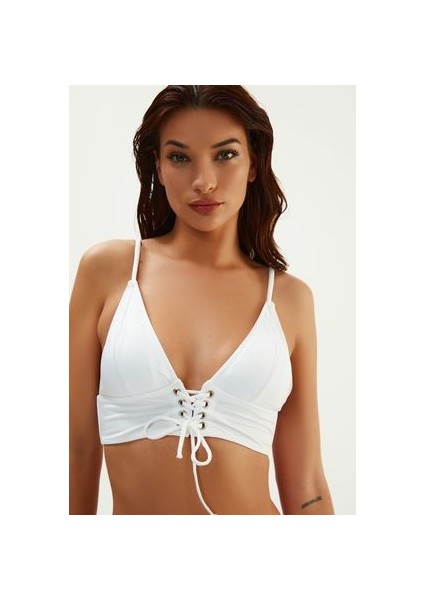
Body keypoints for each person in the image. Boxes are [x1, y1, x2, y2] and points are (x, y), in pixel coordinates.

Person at [69, 85, 334, 515]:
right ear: (157, 166)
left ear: (253, 163)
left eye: (225, 154)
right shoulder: (109, 271)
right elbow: (76, 450)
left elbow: (306, 482)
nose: (204, 181)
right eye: (180, 157)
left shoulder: (289, 299)